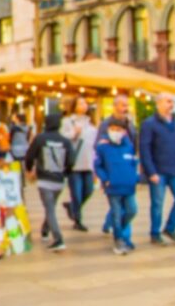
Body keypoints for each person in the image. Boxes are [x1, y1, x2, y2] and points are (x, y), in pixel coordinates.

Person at [140, 93, 175, 246]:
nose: (171, 104)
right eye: (168, 101)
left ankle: (170, 227)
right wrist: (150, 171)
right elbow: (144, 149)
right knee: (157, 204)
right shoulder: (149, 124)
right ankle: (155, 233)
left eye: (172, 102)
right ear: (158, 104)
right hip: (158, 171)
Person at [24, 113, 75, 252]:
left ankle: (58, 239)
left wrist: (29, 169)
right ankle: (45, 229)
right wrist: (65, 173)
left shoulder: (40, 139)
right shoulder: (65, 141)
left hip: (44, 180)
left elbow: (29, 156)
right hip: (59, 181)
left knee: (50, 208)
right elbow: (71, 161)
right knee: (51, 207)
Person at [94, 118, 139, 255]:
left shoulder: (128, 147)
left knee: (132, 210)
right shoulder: (103, 147)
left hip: (128, 186)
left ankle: (119, 230)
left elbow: (133, 163)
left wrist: (135, 178)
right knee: (116, 212)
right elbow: (98, 165)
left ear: (124, 132)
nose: (114, 132)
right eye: (112, 129)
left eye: (118, 130)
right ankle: (119, 239)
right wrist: (105, 179)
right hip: (113, 187)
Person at [97, 94, 138, 234]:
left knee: (123, 206)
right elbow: (99, 146)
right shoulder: (106, 124)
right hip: (112, 169)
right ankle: (122, 236)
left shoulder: (130, 122)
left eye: (127, 105)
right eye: (122, 105)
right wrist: (104, 176)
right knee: (117, 204)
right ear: (115, 106)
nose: (125, 108)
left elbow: (134, 141)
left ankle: (111, 224)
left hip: (125, 168)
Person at [61, 96, 97, 231]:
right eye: (80, 103)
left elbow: (93, 144)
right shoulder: (67, 121)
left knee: (88, 190)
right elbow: (63, 138)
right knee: (76, 192)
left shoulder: (90, 123)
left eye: (85, 102)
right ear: (74, 105)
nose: (84, 105)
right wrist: (74, 133)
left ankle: (72, 207)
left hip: (88, 162)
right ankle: (78, 219)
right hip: (74, 163)